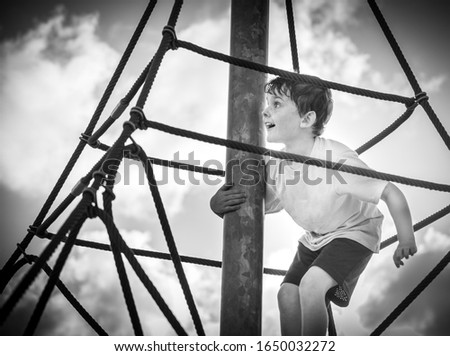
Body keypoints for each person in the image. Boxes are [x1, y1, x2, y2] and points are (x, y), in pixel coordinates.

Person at [209, 76, 417, 336]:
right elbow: (255, 205)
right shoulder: (276, 166)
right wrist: (217, 204)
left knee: (311, 286)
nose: (265, 111)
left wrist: (406, 237)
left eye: (276, 104)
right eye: (267, 103)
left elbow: (389, 191)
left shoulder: (335, 160)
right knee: (287, 293)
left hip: (353, 232)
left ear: (306, 120)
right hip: (315, 238)